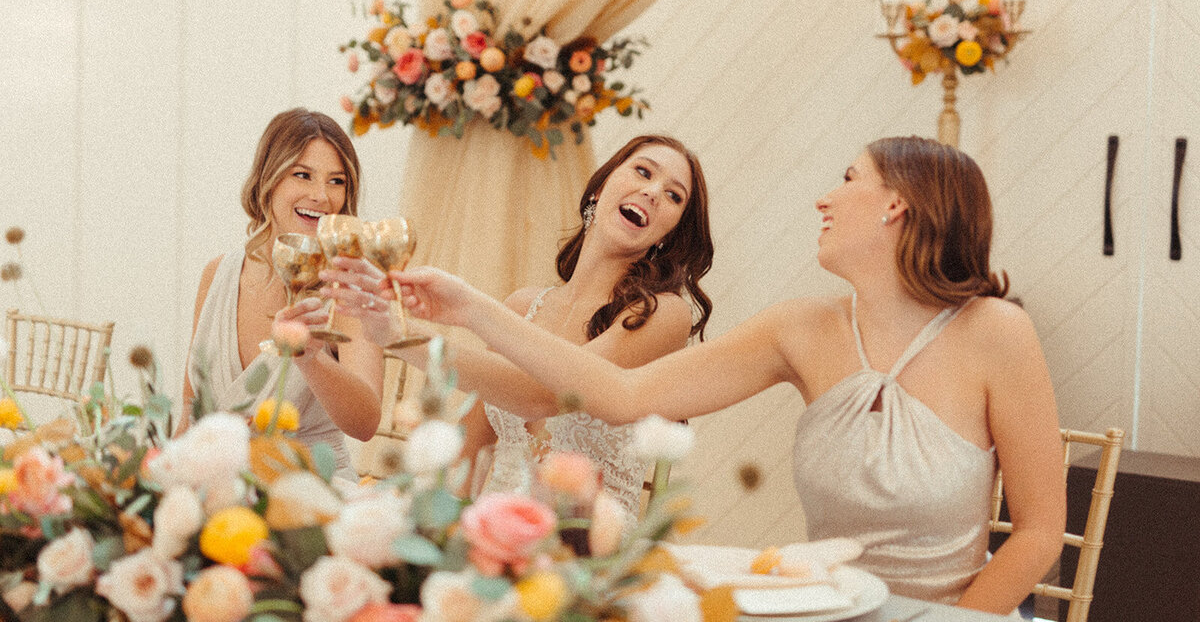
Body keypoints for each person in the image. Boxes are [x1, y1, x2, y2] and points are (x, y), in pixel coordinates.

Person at [381, 136, 1065, 615]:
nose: (825, 198)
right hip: (824, 610)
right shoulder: (799, 329)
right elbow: (619, 396)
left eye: (849, 178)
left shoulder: (997, 332)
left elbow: (1037, 533)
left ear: (897, 205)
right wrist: (468, 307)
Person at [324, 134, 714, 521]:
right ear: (599, 189)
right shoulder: (524, 307)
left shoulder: (662, 314)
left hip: (586, 545)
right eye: (643, 172)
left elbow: (546, 394)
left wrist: (400, 334)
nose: (652, 192)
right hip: (496, 534)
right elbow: (468, 453)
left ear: (670, 234)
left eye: (674, 196)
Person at [181, 108, 384, 482]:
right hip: (216, 487)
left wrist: (313, 360)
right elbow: (191, 410)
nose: (321, 196)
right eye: (302, 175)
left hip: (310, 491)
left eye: (336, 181)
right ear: (268, 180)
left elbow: (365, 423)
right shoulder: (218, 274)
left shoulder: (348, 287)